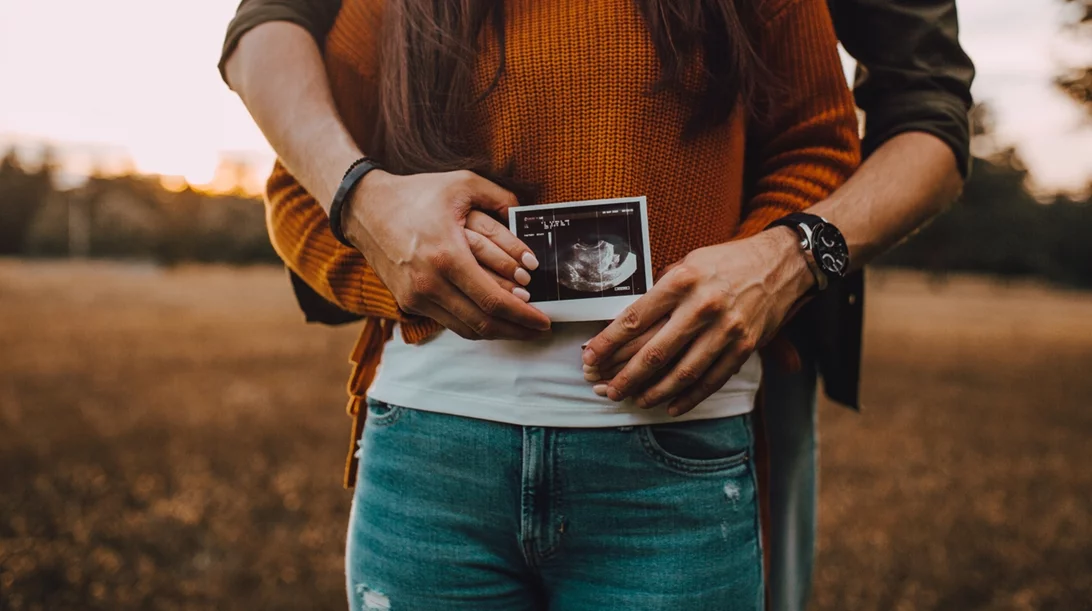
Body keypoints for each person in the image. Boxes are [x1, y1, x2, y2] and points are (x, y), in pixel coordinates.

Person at [221, 1, 972, 608]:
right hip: (432, 455)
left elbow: (819, 140)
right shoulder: (386, 12)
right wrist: (398, 263)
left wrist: (766, 263)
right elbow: (302, 181)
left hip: (675, 456)